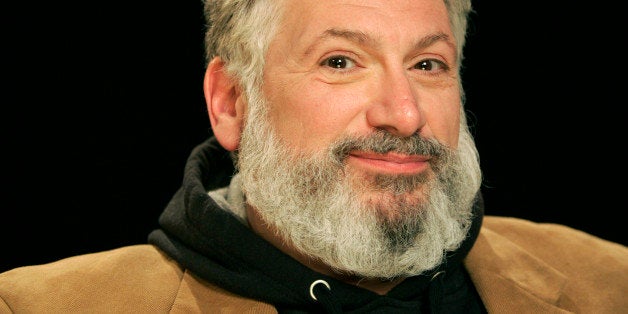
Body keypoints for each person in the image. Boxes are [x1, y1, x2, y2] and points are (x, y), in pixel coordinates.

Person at [1, 0, 626, 312]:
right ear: (231, 103)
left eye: (428, 64)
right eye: (340, 62)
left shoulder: (608, 284)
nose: (404, 115)